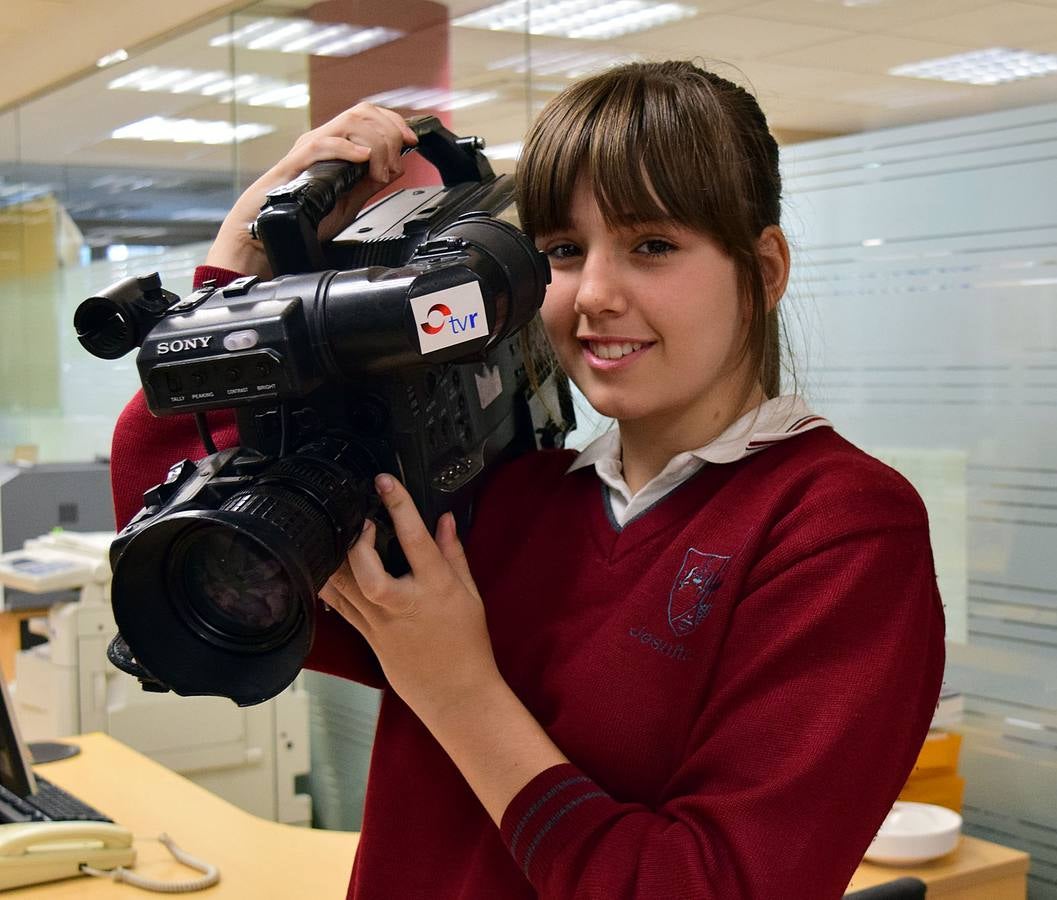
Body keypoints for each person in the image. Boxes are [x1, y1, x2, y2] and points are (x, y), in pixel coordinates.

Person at [110, 61, 946, 899]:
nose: (595, 296)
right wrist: (240, 265)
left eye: (652, 245)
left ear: (762, 269)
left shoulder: (838, 528)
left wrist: (456, 689)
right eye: (563, 252)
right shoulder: (512, 498)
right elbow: (202, 530)